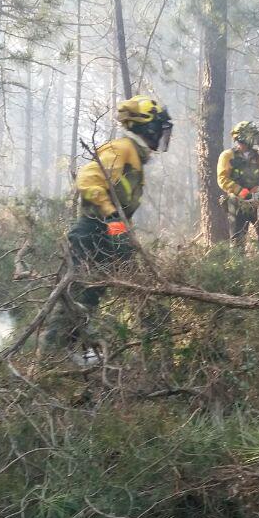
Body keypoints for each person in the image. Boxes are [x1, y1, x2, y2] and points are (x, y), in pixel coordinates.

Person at [39, 95, 173, 357]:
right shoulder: (121, 149)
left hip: (108, 235)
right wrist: (112, 218)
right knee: (78, 297)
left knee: (92, 297)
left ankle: (71, 352)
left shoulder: (134, 156)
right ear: (148, 127)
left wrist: (120, 230)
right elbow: (89, 180)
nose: (162, 135)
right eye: (160, 128)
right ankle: (49, 357)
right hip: (93, 232)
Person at [217, 121, 259, 245]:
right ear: (242, 138)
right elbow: (223, 179)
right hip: (237, 204)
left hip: (257, 201)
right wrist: (242, 192)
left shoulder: (258, 157)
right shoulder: (227, 156)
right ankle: (238, 264)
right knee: (238, 241)